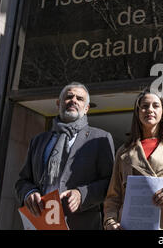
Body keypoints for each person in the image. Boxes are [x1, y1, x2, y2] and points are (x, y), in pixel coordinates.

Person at [15, 82, 115, 230]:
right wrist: (29, 192)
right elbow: (23, 181)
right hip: (41, 222)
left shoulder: (100, 138)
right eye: (69, 97)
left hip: (80, 224)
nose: (73, 100)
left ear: (86, 108)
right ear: (58, 103)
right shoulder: (39, 140)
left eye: (80, 99)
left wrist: (82, 194)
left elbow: (111, 184)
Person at [103, 89, 163, 230]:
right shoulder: (124, 152)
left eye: (155, 105)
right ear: (138, 112)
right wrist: (110, 222)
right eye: (144, 106)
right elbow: (113, 198)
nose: (150, 110)